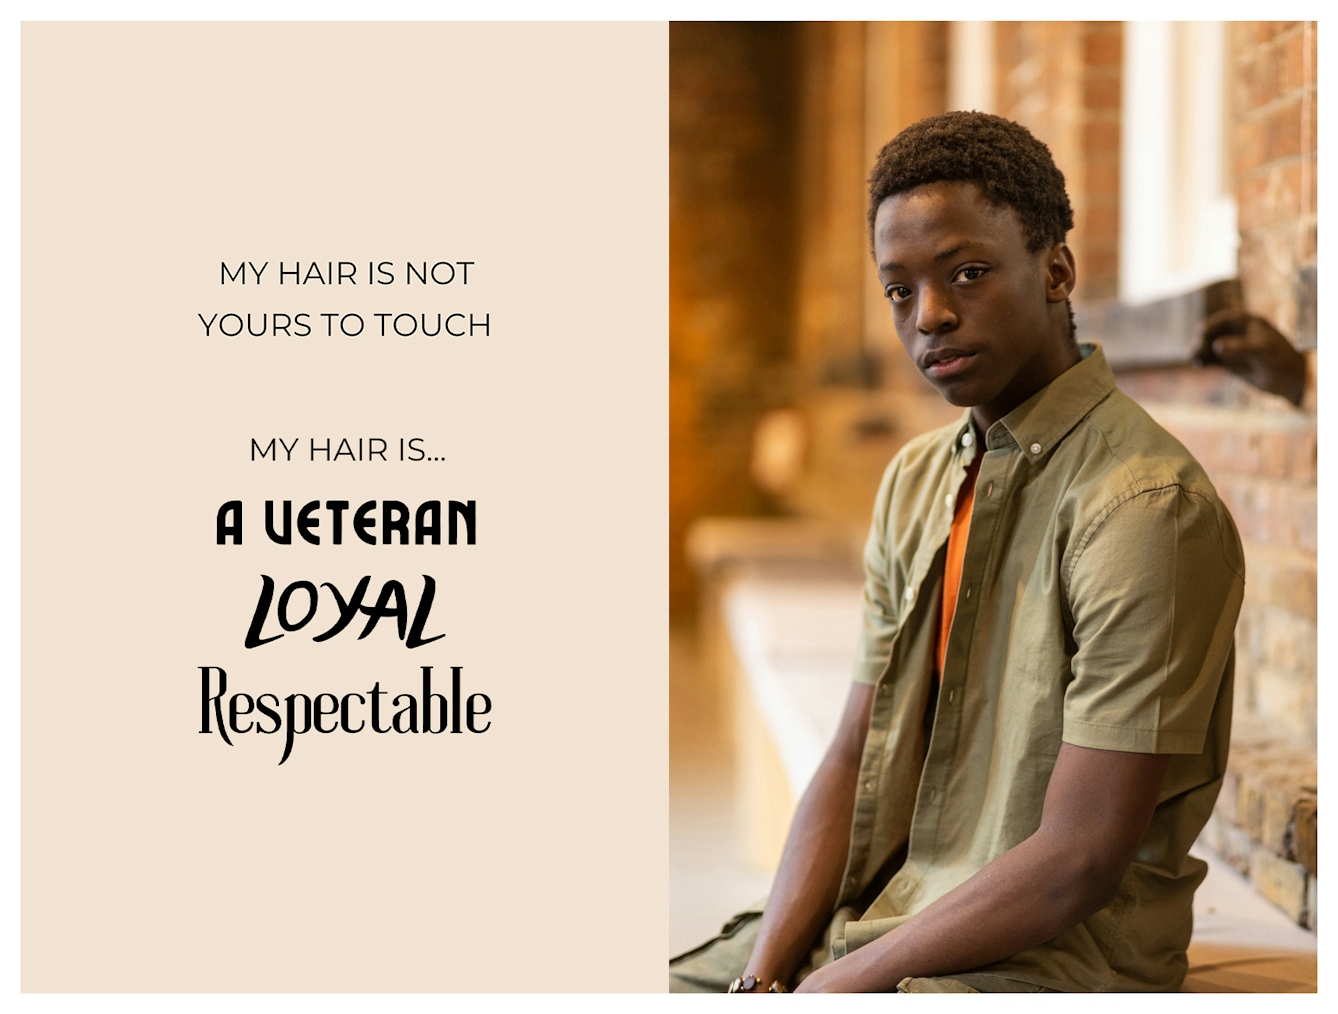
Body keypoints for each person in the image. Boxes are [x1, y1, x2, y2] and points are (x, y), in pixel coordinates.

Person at [669, 111, 1245, 993]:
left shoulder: (1145, 510)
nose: (930, 316)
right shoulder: (914, 481)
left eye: (967, 273)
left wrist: (833, 989)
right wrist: (767, 972)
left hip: (1055, 954)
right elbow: (854, 751)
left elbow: (1080, 860)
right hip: (891, 910)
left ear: (1055, 269)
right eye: (899, 290)